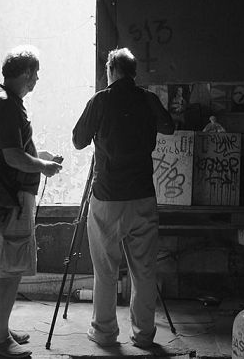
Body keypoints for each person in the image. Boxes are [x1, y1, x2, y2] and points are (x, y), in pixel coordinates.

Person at [72, 47, 175, 348]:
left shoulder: (101, 100)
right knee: (143, 271)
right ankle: (144, 336)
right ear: (133, 72)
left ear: (111, 70)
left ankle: (104, 333)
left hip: (107, 197)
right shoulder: (147, 98)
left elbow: (78, 141)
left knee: (105, 270)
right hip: (142, 196)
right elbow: (169, 126)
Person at [0, 45, 63, 358]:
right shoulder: (6, 105)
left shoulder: (2, 100)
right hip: (12, 201)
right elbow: (13, 156)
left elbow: (13, 152)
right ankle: (0, 341)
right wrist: (43, 166)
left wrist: (38, 156)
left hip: (8, 198)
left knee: (9, 267)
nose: (38, 80)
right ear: (26, 73)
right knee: (11, 270)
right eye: (36, 74)